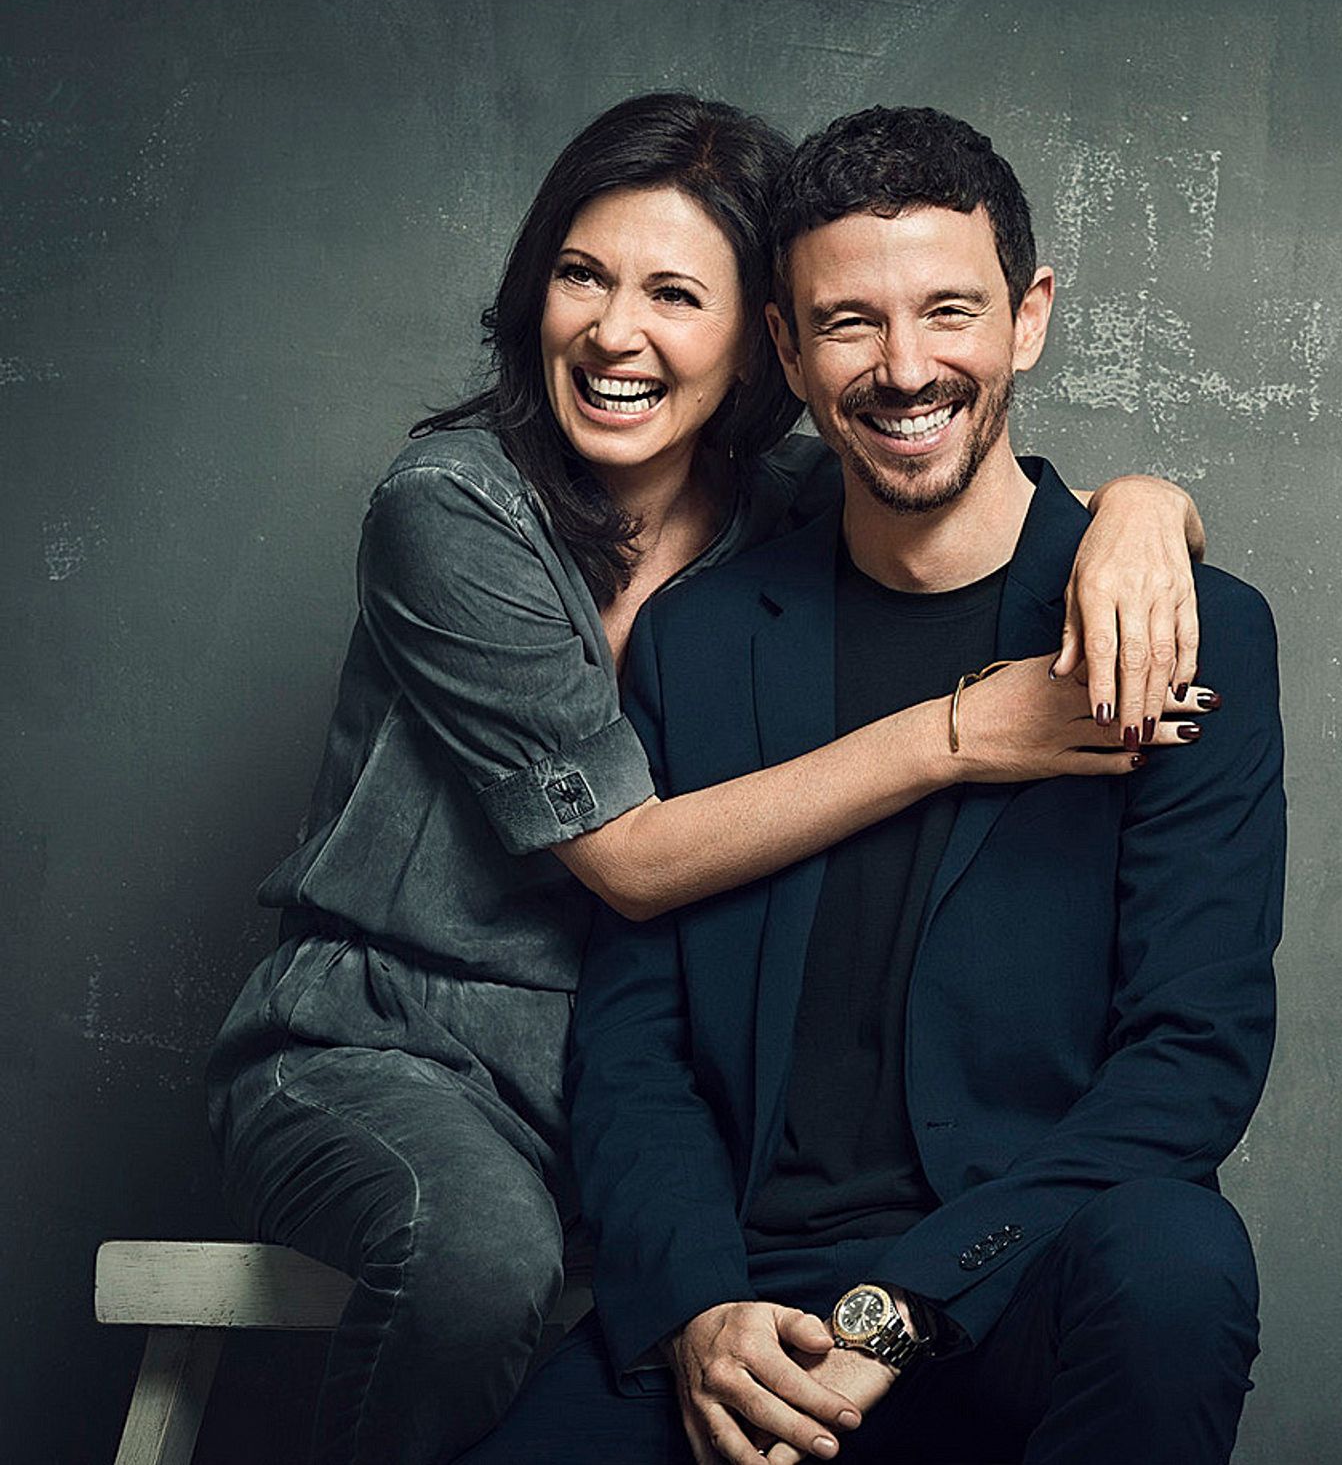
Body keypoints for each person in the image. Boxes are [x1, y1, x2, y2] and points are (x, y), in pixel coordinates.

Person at [203, 92, 1219, 1465]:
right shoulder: (451, 507)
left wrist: (1150, 509)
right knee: (479, 1259)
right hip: (393, 1043)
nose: (615, 333)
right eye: (582, 276)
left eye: (676, 294)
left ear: (764, 342)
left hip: (603, 1086)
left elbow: (966, 475)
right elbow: (630, 859)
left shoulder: (781, 501)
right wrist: (958, 733)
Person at [467, 105, 1285, 1465]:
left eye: (948, 312)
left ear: (1028, 318)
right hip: (754, 1291)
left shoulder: (1187, 627)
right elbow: (634, 1040)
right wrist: (696, 1308)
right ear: (787, 350)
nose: (906, 370)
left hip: (1017, 1273)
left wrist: (904, 1306)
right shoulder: (699, 642)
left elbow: (1192, 1055)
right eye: (850, 323)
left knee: (1180, 1262)